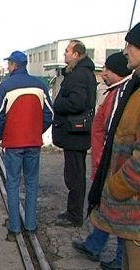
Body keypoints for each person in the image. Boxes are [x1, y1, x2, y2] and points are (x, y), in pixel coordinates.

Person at [72, 52, 132, 270]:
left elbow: (114, 132)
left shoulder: (122, 94)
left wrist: (105, 164)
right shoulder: (115, 92)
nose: (103, 73)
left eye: (108, 69)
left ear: (119, 72)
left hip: (113, 166)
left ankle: (120, 259)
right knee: (105, 206)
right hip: (107, 163)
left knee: (121, 212)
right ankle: (94, 245)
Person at [88, 22, 140, 270]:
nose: (125, 50)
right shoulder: (135, 87)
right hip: (130, 215)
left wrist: (116, 186)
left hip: (133, 209)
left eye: (129, 44)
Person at [0, 51, 53, 241]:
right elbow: (49, 114)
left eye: (9, 63)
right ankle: (31, 224)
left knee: (13, 183)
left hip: (14, 144)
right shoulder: (40, 86)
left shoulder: (5, 87)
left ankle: (15, 226)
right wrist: (36, 131)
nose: (8, 67)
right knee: (32, 183)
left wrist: (3, 136)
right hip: (33, 143)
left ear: (14, 65)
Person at [53, 40, 97, 227]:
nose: (65, 54)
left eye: (67, 51)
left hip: (75, 133)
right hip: (75, 133)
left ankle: (74, 215)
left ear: (77, 54)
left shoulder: (79, 75)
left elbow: (77, 102)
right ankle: (73, 211)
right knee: (75, 174)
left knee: (74, 176)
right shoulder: (83, 73)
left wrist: (58, 104)